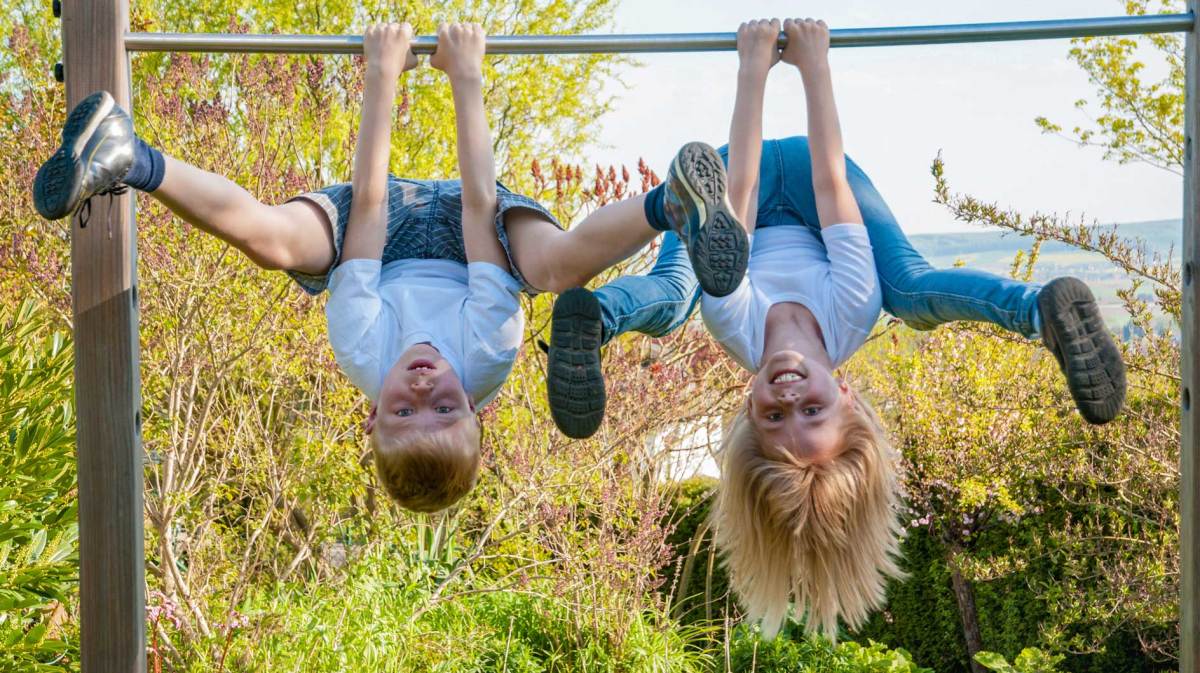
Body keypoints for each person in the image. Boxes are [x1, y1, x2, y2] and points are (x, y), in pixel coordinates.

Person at [32, 22, 748, 511]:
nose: (425, 387)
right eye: (444, 406)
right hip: (478, 236)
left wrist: (381, 77)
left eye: (405, 410)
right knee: (555, 268)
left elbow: (369, 206)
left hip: (383, 232)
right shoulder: (488, 355)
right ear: (475, 408)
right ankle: (669, 205)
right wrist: (466, 78)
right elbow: (476, 207)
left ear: (371, 412)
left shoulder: (364, 352)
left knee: (279, 244)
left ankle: (129, 155)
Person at [680, 18, 1125, 639]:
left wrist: (752, 68)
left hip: (732, 181)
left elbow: (742, 193)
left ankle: (600, 319)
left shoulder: (729, 320)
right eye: (811, 410)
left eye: (774, 419)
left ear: (745, 410)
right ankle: (1041, 312)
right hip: (817, 180)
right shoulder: (854, 310)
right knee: (909, 290)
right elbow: (833, 183)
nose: (788, 398)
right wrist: (814, 66)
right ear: (845, 395)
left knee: (681, 282)